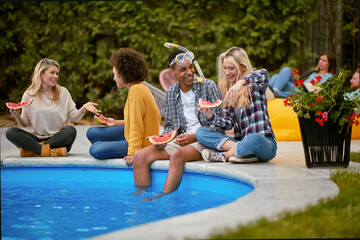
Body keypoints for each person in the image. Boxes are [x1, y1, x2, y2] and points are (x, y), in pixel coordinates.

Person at [131, 49, 222, 199]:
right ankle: (140, 196)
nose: (190, 72)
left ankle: (163, 196)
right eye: (183, 69)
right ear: (172, 72)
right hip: (180, 140)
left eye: (190, 67)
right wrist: (164, 139)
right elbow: (170, 126)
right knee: (139, 156)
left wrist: (194, 137)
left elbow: (219, 125)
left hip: (206, 139)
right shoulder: (172, 93)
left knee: (178, 155)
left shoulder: (208, 86)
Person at [195, 47, 277, 163]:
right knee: (201, 132)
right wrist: (210, 115)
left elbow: (264, 74)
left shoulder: (255, 85)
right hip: (241, 141)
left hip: (264, 143)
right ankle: (243, 152)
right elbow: (228, 124)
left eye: (231, 68)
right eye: (225, 68)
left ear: (243, 66)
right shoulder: (230, 91)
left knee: (253, 138)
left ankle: (223, 156)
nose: (227, 72)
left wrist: (240, 83)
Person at [6, 58, 100, 157]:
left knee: (70, 130)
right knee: (11, 132)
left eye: (57, 73)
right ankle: (53, 151)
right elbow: (25, 123)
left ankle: (34, 150)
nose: (55, 76)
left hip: (58, 139)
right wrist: (17, 116)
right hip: (35, 138)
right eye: (52, 72)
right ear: (41, 74)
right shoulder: (29, 94)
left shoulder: (63, 92)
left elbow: (74, 117)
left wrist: (84, 107)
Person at [86, 48, 161, 162]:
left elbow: (137, 125)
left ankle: (119, 146)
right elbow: (139, 119)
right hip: (131, 132)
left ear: (123, 74)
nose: (114, 78)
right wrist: (116, 123)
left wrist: (133, 152)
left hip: (142, 143)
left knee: (95, 149)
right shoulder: (138, 88)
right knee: (92, 133)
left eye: (115, 74)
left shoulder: (136, 91)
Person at [267, 51, 337, 99]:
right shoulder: (314, 73)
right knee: (284, 72)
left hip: (306, 94)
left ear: (330, 64)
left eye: (324, 61)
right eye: (320, 59)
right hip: (300, 88)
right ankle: (271, 91)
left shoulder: (329, 76)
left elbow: (320, 91)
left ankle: (272, 91)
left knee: (284, 73)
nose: (321, 62)